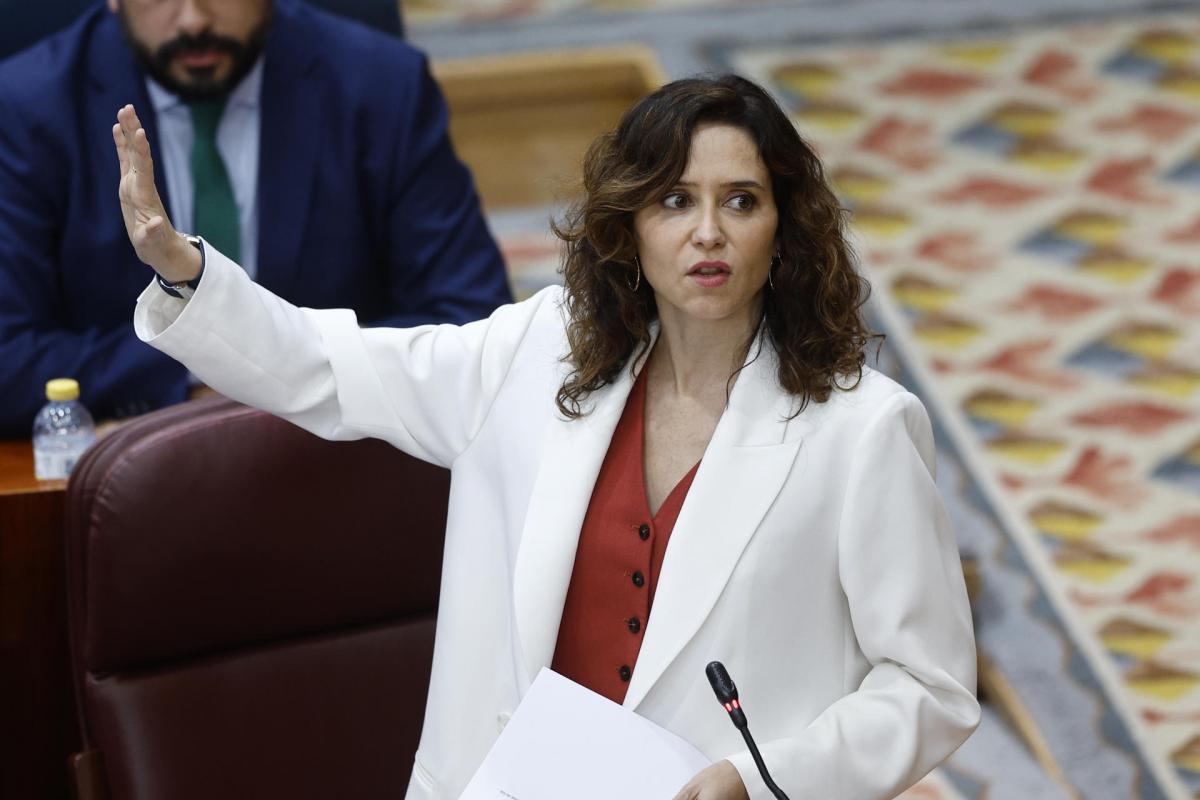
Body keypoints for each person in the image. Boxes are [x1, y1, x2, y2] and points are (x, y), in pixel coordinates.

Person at [115, 74, 981, 800]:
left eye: (740, 201)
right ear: (630, 225)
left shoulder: (863, 430)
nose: (706, 231)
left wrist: (758, 779)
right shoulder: (536, 353)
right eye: (675, 199)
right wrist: (184, 269)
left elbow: (931, 688)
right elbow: (331, 370)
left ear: (783, 233)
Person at [0, 0, 511, 436]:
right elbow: (8, 356)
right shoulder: (26, 109)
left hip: (340, 462)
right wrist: (220, 370)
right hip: (128, 477)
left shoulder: (381, 86)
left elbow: (472, 320)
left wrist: (275, 369)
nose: (193, 20)